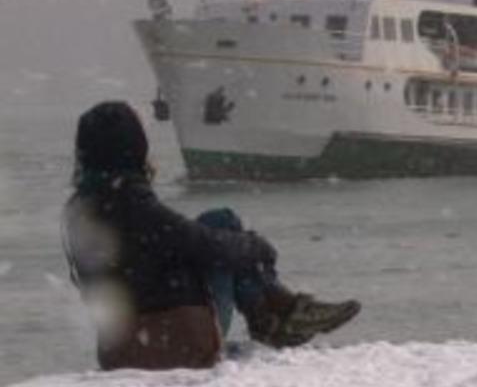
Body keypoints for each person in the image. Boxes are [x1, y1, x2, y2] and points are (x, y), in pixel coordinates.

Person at [62, 101, 360, 371]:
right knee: (225, 229)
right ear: (133, 148)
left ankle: (277, 314)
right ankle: (277, 315)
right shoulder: (133, 204)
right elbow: (210, 247)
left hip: (118, 348)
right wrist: (258, 247)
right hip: (175, 342)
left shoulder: (77, 210)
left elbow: (166, 246)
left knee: (216, 224)